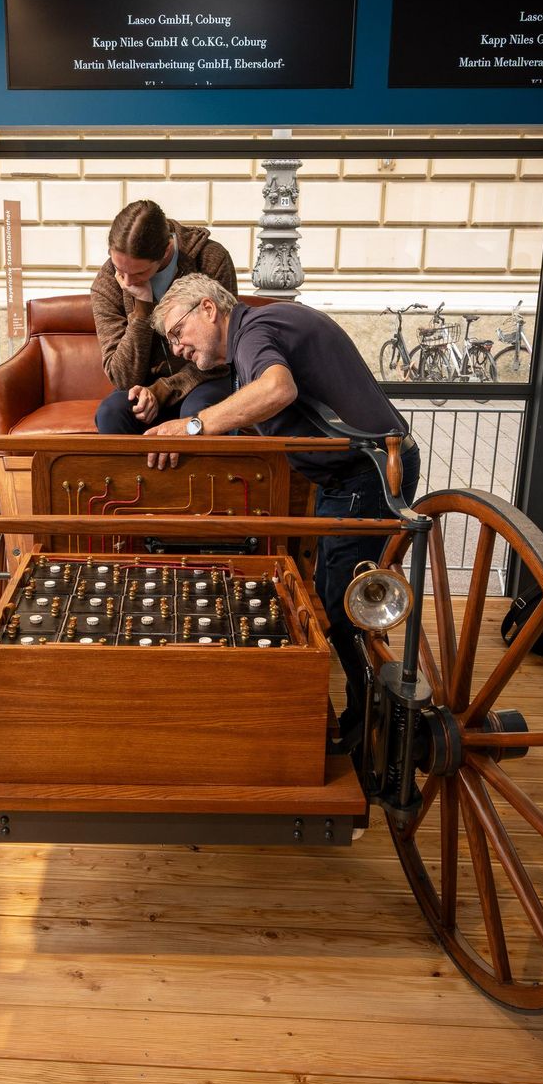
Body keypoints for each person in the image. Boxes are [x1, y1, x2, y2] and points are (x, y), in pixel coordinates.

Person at [148, 272, 422, 753]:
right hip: (354, 474)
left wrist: (191, 427)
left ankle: (372, 736)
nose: (177, 350)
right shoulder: (260, 330)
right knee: (339, 602)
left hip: (364, 475)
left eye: (177, 333)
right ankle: (368, 717)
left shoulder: (254, 331)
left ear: (208, 309)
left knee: (342, 609)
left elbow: (278, 389)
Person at [91, 199, 237, 433]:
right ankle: (128, 473)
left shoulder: (210, 259)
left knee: (201, 413)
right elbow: (123, 378)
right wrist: (141, 308)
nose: (126, 282)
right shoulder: (107, 283)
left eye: (139, 272)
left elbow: (222, 348)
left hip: (206, 378)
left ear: (167, 249)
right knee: (111, 411)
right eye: (120, 269)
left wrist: (162, 391)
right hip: (143, 389)